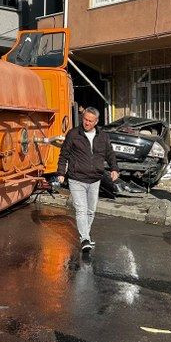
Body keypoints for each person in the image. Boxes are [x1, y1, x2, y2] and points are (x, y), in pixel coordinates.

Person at [57, 107, 119, 252]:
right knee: (81, 209)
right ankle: (84, 238)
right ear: (82, 118)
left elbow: (110, 154)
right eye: (85, 119)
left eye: (90, 121)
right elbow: (64, 154)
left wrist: (114, 169)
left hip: (94, 179)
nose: (87, 123)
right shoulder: (73, 134)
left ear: (96, 121)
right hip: (76, 178)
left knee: (91, 211)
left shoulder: (103, 136)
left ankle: (86, 236)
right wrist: (61, 172)